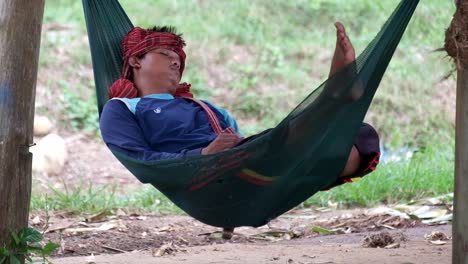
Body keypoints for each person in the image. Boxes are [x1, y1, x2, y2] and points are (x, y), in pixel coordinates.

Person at [99, 22, 380, 188]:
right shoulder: (124, 108)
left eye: (179, 59)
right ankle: (333, 96)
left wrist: (232, 148)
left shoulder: (203, 107)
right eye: (165, 53)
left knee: (358, 135)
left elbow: (239, 140)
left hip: (247, 167)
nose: (176, 61)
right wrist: (203, 153)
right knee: (291, 140)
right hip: (203, 178)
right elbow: (141, 161)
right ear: (136, 61)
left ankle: (332, 103)